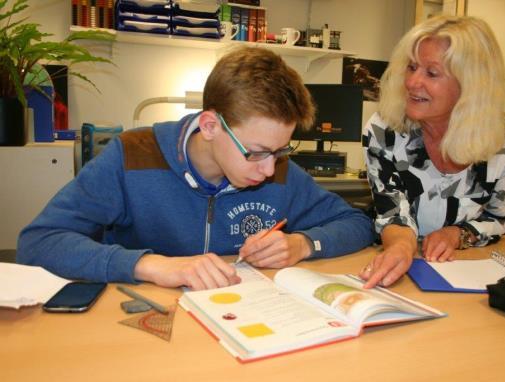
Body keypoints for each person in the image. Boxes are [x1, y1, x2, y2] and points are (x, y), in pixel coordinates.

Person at [17, 47, 374, 291]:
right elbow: (38, 243)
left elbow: (357, 224)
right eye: (256, 152)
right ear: (210, 126)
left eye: (281, 151)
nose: (269, 170)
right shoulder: (130, 157)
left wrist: (303, 244)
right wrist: (153, 266)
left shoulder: (279, 170)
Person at [359, 16, 505, 288]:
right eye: (411, 67)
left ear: (471, 85)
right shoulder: (384, 130)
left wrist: (458, 235)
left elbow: (499, 218)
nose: (412, 82)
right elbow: (392, 211)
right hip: (401, 266)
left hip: (468, 270)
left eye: (431, 73)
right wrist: (402, 245)